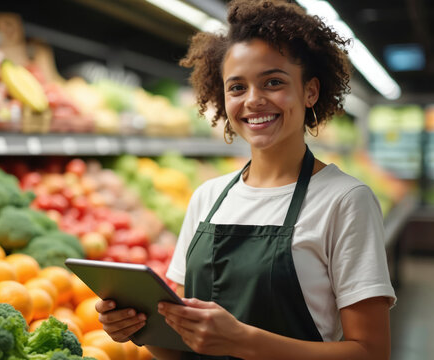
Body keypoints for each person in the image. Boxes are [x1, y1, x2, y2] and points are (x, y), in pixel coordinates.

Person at [96, 0, 396, 359]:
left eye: (273, 82)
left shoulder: (345, 200)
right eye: (237, 88)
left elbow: (371, 352)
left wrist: (241, 341)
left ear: (311, 91)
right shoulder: (207, 197)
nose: (253, 100)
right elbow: (183, 348)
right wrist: (139, 328)